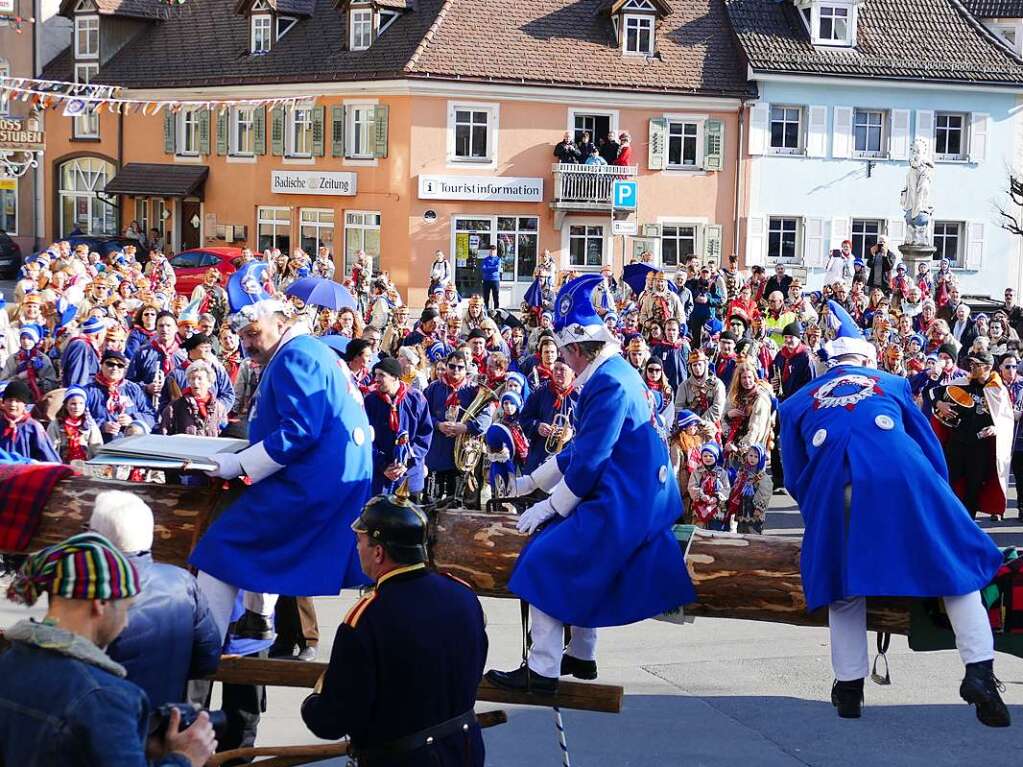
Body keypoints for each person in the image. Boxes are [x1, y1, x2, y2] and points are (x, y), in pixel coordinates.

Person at [779, 301, 1008, 725]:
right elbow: (929, 448)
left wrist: (818, 514)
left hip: (838, 487)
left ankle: (849, 687)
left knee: (843, 587)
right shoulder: (893, 383)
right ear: (868, 359)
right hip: (906, 477)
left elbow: (793, 475)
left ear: (829, 364)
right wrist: (939, 503)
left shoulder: (795, 403)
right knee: (955, 569)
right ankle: (979, 671)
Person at [486, 274, 695, 692]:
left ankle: (542, 670)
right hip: (631, 489)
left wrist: (548, 506)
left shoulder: (610, 382)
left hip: (632, 499)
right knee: (570, 550)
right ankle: (581, 655)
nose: (563, 361)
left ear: (579, 349)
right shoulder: (611, 373)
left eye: (565, 354)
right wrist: (527, 483)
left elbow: (590, 462)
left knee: (544, 558)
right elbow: (579, 451)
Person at [193, 262, 373, 642]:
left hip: (312, 485)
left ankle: (205, 648)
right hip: (318, 478)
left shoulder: (295, 356)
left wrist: (238, 464)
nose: (248, 343)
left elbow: (298, 431)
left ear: (279, 320)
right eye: (243, 335)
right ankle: (257, 622)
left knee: (219, 550)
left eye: (254, 332)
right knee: (243, 547)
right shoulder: (307, 351)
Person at [0, 532, 217, 767]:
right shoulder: (106, 697)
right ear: (100, 604)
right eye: (126, 607)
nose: (124, 622)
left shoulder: (9, 663)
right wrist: (185, 758)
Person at [302, 494, 487, 765]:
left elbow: (332, 722)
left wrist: (312, 704)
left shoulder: (367, 617)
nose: (357, 549)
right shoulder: (462, 595)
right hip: (464, 749)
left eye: (360, 541)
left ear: (379, 552)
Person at [91, 491, 222, 710]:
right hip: (162, 720)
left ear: (97, 536)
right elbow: (207, 657)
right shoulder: (183, 582)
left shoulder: (90, 589)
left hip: (104, 719)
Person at [931, 349, 1014, 521]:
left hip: (979, 446)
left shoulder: (997, 390)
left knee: (973, 488)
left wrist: (995, 428)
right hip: (956, 443)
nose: (972, 367)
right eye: (971, 364)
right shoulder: (962, 382)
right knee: (947, 482)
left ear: (988, 367)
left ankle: (968, 523)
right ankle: (944, 520)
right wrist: (940, 403)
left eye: (976, 365)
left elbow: (1006, 421)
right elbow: (934, 392)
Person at [364, 356, 433, 498]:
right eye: (375, 375)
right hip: (380, 476)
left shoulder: (416, 399)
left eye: (381, 375)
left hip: (410, 475)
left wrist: (406, 460)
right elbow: (366, 438)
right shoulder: (371, 401)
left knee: (409, 518)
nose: (376, 379)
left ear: (395, 377)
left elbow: (425, 434)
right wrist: (382, 465)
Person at [84, 350, 157, 443]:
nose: (115, 368)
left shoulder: (133, 389)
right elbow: (78, 417)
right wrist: (101, 425)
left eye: (120, 365)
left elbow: (151, 416)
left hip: (131, 444)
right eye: (110, 364)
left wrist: (133, 419)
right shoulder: (89, 391)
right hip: (100, 444)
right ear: (101, 365)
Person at [0, 379, 60, 462]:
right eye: (9, 400)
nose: (13, 404)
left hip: (27, 472)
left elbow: (49, 456)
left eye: (17, 401)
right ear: (4, 402)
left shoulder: (33, 427)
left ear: (25, 404)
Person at [47, 385, 103, 463]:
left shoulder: (90, 424)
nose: (77, 407)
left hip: (85, 464)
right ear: (66, 405)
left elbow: (96, 447)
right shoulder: (56, 424)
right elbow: (50, 448)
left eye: (81, 403)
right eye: (73, 403)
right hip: (62, 465)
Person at [480, 247, 502, 313]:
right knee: (486, 297)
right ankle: (485, 311)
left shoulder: (498, 259)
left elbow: (497, 269)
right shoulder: (485, 259)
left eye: (493, 251)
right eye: (491, 251)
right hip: (486, 280)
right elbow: (483, 269)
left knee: (496, 297)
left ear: (496, 252)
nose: (492, 253)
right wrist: (493, 268)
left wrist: (488, 268)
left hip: (495, 280)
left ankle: (497, 312)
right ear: (489, 251)